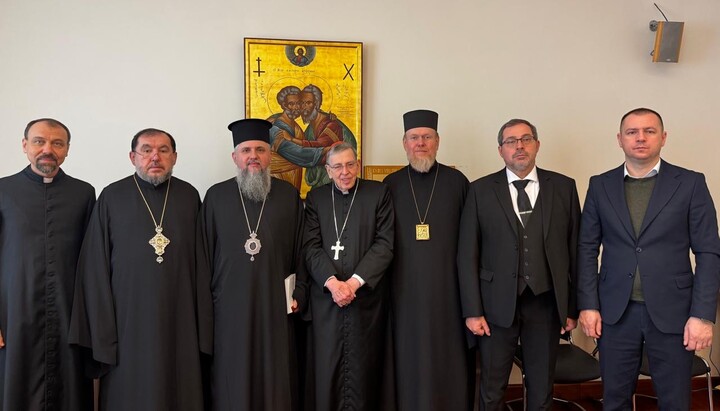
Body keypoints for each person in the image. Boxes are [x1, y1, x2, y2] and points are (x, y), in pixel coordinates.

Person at [577, 107, 720, 410]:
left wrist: (703, 315)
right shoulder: (600, 185)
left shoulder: (691, 183)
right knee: (614, 399)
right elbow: (586, 248)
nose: (640, 138)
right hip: (616, 313)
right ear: (620, 139)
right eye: (632, 132)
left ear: (663, 137)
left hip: (675, 313)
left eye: (649, 131)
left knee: (674, 400)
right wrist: (588, 305)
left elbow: (708, 251)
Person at [69, 128, 210, 411]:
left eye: (163, 150)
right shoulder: (111, 196)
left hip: (180, 320)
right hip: (126, 321)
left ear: (175, 157)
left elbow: (204, 265)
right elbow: (95, 267)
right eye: (146, 150)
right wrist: (101, 331)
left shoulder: (189, 196)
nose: (154, 157)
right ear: (133, 156)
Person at [458, 119, 580, 410]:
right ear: (500, 150)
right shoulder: (480, 190)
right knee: (492, 387)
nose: (519, 146)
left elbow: (576, 251)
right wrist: (473, 311)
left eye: (526, 139)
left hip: (546, 304)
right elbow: (467, 255)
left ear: (537, 145)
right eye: (511, 141)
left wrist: (572, 308)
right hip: (495, 306)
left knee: (541, 388)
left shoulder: (563, 187)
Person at [198, 119, 306, 410]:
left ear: (270, 155)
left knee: (276, 381)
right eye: (246, 150)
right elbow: (204, 259)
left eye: (260, 149)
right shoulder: (215, 197)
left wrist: (301, 295)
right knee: (232, 380)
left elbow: (302, 252)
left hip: (276, 309)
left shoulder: (288, 196)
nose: (253, 156)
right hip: (229, 313)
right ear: (235, 157)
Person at [0, 118, 95, 410]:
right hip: (14, 312)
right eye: (39, 141)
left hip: (69, 314)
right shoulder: (3, 190)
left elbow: (93, 260)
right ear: (25, 145)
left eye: (57, 143)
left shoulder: (84, 193)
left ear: (67, 150)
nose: (47, 150)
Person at [383, 109, 472, 410]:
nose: (420, 143)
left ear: (437, 141)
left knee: (448, 356)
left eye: (427, 137)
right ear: (404, 143)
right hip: (403, 292)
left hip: (449, 292)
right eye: (414, 138)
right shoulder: (390, 185)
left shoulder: (458, 181)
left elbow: (471, 241)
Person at [303, 141, 394, 411]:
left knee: (364, 371)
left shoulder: (378, 193)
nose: (345, 172)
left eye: (350, 164)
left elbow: (385, 244)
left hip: (366, 301)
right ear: (328, 170)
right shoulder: (316, 198)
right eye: (338, 166)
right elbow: (310, 246)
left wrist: (353, 284)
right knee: (328, 370)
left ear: (358, 164)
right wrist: (333, 284)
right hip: (327, 303)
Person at [300, 85, 358, 189]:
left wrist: (291, 140)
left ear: (316, 104)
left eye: (308, 103)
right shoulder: (310, 128)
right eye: (302, 103)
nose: (304, 107)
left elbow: (319, 146)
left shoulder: (331, 124)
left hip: (334, 181)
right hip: (321, 185)